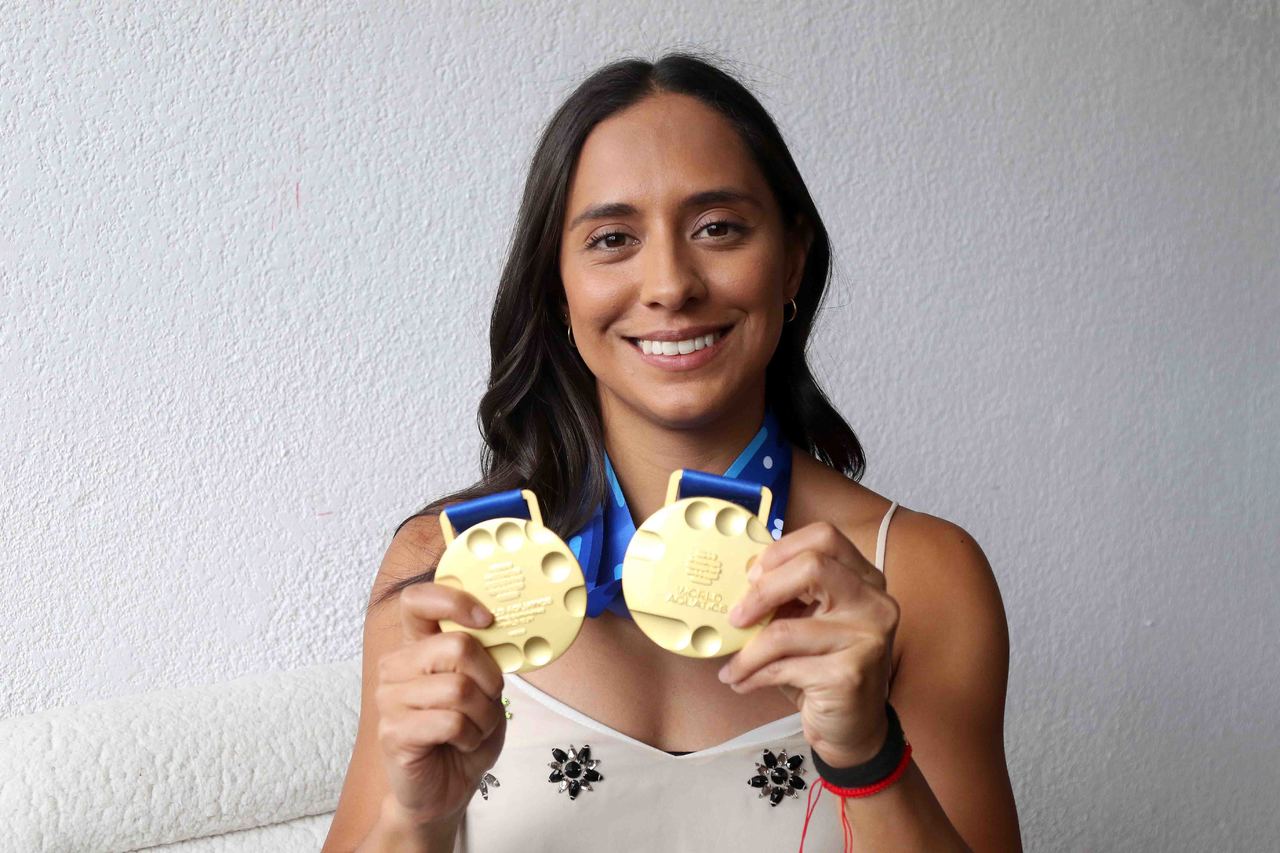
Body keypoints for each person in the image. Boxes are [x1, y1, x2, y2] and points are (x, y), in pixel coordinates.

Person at [322, 51, 1021, 853]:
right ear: (557, 287)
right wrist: (417, 818)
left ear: (791, 259)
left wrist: (869, 756)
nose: (669, 284)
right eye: (612, 238)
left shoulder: (921, 575)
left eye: (717, 228)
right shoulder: (444, 569)